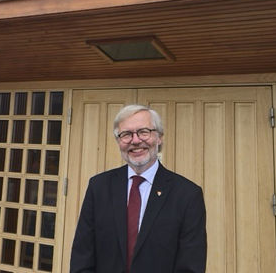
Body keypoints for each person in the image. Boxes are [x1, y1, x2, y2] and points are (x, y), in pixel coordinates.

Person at [70, 104, 207, 273]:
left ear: (159, 137)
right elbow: (82, 256)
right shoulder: (98, 187)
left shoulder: (188, 195)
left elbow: (191, 266)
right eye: (126, 134)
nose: (135, 140)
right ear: (119, 141)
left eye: (144, 132)